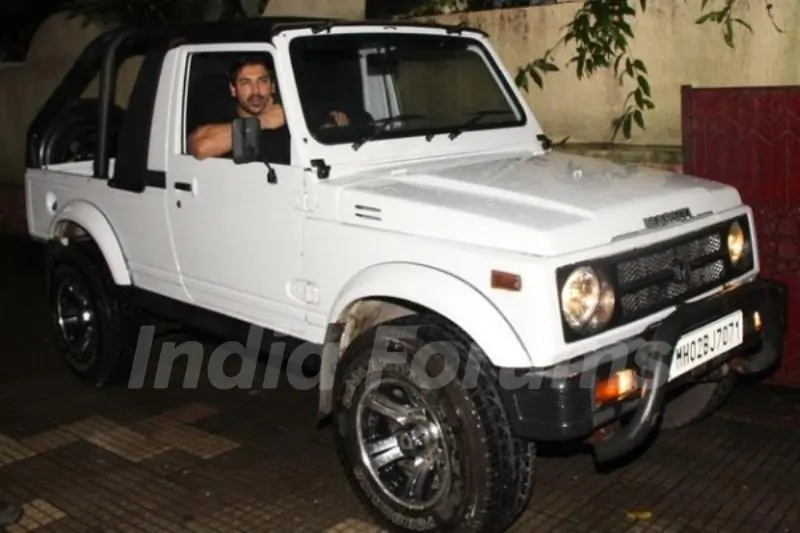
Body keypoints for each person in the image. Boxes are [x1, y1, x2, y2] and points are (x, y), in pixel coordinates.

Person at [188, 54, 289, 164]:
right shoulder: (221, 116)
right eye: (245, 82)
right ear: (233, 89)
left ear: (273, 86)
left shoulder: (291, 120)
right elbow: (200, 147)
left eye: (262, 81)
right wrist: (260, 122)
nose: (255, 91)